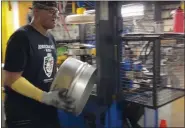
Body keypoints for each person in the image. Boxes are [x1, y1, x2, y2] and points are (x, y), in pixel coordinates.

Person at [3, 1, 74, 128]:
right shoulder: (21, 37)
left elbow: (47, 69)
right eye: (51, 11)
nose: (55, 16)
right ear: (36, 11)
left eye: (56, 13)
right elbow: (11, 79)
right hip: (24, 115)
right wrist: (45, 97)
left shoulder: (50, 38)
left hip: (47, 112)